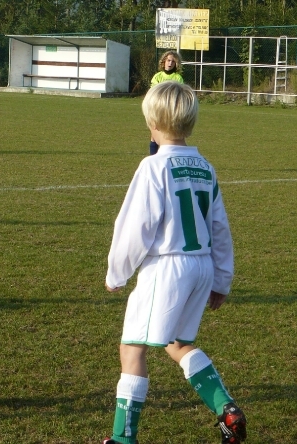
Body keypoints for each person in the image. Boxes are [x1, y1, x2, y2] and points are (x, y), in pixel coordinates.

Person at [102, 82, 246, 444]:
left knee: (131, 347)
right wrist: (221, 280)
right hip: (201, 266)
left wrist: (117, 272)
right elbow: (220, 228)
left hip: (167, 268)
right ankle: (226, 408)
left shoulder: (153, 167)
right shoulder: (205, 167)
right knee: (178, 343)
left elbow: (135, 226)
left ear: (151, 121)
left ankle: (123, 439)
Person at [148, 50, 184, 155]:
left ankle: (170, 156)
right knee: (154, 135)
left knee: (170, 135)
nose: (170, 63)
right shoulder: (157, 77)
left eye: (173, 61)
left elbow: (179, 94)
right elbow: (153, 93)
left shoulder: (178, 78)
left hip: (171, 110)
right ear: (163, 61)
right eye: (168, 60)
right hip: (157, 109)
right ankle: (153, 157)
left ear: (176, 64)